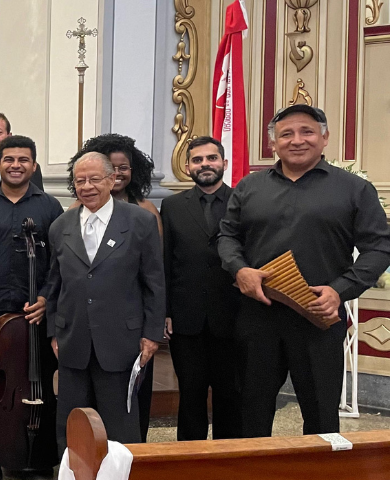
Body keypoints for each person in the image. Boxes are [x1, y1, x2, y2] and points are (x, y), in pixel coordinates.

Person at [218, 105, 390, 437]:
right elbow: (227, 236)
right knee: (252, 408)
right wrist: (239, 270)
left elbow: (379, 247)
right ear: (273, 144)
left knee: (321, 411)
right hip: (259, 316)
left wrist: (340, 289)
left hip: (319, 316)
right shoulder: (249, 187)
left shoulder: (354, 189)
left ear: (324, 138)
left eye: (307, 132)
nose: (297, 140)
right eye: (286, 134)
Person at [45, 152, 165, 455]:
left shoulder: (140, 222)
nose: (86, 186)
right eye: (79, 180)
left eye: (94, 179)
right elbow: (54, 285)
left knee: (119, 424)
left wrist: (152, 334)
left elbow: (154, 282)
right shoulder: (60, 226)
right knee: (73, 423)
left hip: (121, 342)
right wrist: (53, 332)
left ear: (111, 180)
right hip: (73, 340)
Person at [0, 136, 62, 479]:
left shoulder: (50, 207)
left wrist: (47, 298)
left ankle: (37, 449)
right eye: (9, 159)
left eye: (23, 159)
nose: (15, 165)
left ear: (33, 166)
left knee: (37, 380)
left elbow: (59, 262)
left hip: (35, 310)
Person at [160, 135, 242, 441]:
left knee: (229, 396)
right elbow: (165, 262)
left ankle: (228, 462)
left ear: (224, 162)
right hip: (186, 319)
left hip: (232, 317)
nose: (205, 164)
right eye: (197, 160)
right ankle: (188, 460)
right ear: (187, 167)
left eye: (211, 158)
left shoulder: (242, 202)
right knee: (190, 395)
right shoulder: (171, 206)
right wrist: (165, 311)